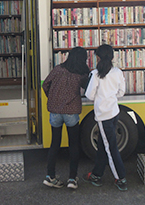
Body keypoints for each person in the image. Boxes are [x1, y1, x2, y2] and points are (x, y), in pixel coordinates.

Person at [42, 46, 90, 190]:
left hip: (55, 111)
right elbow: (88, 88)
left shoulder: (57, 69)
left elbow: (45, 85)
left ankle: (50, 176)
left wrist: (52, 98)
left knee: (54, 144)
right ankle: (72, 179)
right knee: (73, 145)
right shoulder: (82, 73)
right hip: (71, 111)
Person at [83, 44, 128, 191]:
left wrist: (100, 97)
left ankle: (120, 178)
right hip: (114, 112)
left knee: (110, 147)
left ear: (98, 57)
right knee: (104, 145)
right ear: (112, 57)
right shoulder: (117, 72)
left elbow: (89, 95)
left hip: (103, 115)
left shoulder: (96, 74)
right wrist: (110, 96)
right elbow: (121, 92)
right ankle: (96, 174)